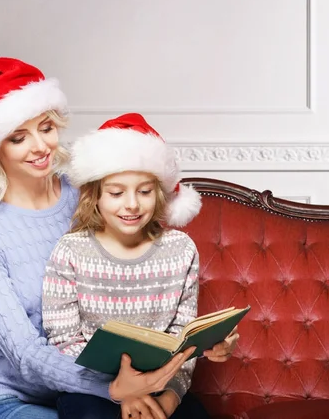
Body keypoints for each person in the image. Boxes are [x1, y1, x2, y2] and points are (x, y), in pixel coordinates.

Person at [0, 57, 240, 419]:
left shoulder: (89, 192)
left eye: (46, 128)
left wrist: (201, 346)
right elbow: (23, 350)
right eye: (18, 137)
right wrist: (114, 391)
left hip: (99, 396)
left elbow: (142, 283)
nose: (40, 147)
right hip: (10, 397)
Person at [42, 113, 214, 419]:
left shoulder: (180, 249)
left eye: (144, 192)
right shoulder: (70, 250)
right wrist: (119, 392)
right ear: (94, 197)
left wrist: (169, 399)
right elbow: (63, 340)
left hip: (159, 385)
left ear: (159, 193)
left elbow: (182, 339)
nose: (132, 204)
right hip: (92, 391)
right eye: (117, 193)